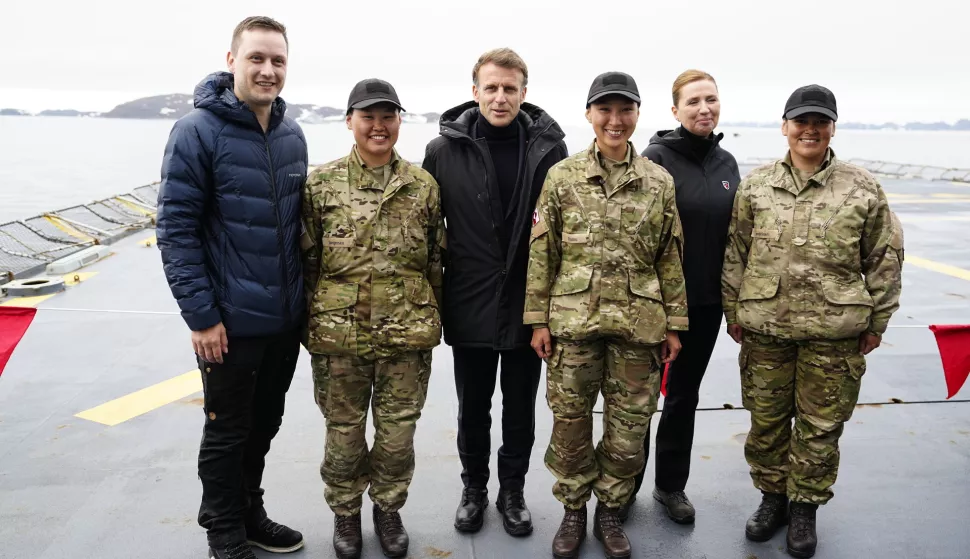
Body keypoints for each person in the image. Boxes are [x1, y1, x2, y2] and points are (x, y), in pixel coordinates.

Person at [721, 84, 904, 558]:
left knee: (820, 426)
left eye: (820, 122)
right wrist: (733, 311)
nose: (810, 130)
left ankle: (804, 508)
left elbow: (884, 257)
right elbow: (736, 252)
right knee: (766, 422)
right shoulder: (756, 185)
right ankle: (772, 498)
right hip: (766, 329)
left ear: (832, 129)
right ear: (785, 126)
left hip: (834, 332)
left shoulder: (862, 187)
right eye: (801, 121)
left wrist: (878, 321)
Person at [156, 15, 307, 559]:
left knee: (264, 424)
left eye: (277, 60)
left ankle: (249, 512)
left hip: (283, 321)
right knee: (226, 431)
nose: (268, 70)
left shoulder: (291, 135)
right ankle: (223, 530)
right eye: (256, 58)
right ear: (231, 61)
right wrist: (201, 317)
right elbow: (175, 229)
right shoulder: (197, 131)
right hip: (229, 322)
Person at [524, 71, 688, 559]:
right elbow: (543, 251)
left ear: (637, 115)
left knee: (630, 426)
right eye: (605, 110)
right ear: (589, 114)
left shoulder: (658, 181)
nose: (615, 120)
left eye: (625, 110)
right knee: (570, 422)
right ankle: (574, 509)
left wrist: (675, 324)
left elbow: (669, 256)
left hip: (639, 325)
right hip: (573, 324)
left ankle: (610, 511)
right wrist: (537, 320)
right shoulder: (563, 177)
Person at [421, 47, 568, 536]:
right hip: (471, 299)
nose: (500, 97)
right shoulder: (443, 151)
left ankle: (513, 492)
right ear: (475, 91)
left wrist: (549, 309)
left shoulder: (549, 151)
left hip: (529, 302)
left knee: (520, 407)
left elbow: (561, 234)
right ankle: (474, 490)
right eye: (491, 87)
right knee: (473, 408)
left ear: (524, 93)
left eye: (509, 88)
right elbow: (427, 231)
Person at [302, 78, 445, 559]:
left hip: (407, 335)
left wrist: (433, 318)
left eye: (388, 116)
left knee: (398, 434)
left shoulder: (422, 186)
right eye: (368, 117)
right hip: (339, 335)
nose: (378, 126)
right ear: (350, 122)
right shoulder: (321, 184)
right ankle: (346, 513)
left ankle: (388, 508)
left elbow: (435, 260)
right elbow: (307, 261)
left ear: (400, 121)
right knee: (343, 433)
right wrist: (312, 323)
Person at [628, 69, 741, 523]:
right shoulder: (656, 159)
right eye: (693, 101)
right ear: (675, 110)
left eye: (710, 99)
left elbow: (735, 239)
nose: (704, 109)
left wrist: (734, 304)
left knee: (683, 397)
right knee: (638, 398)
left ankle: (670, 486)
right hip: (656, 304)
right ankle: (623, 486)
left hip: (706, 304)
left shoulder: (727, 164)